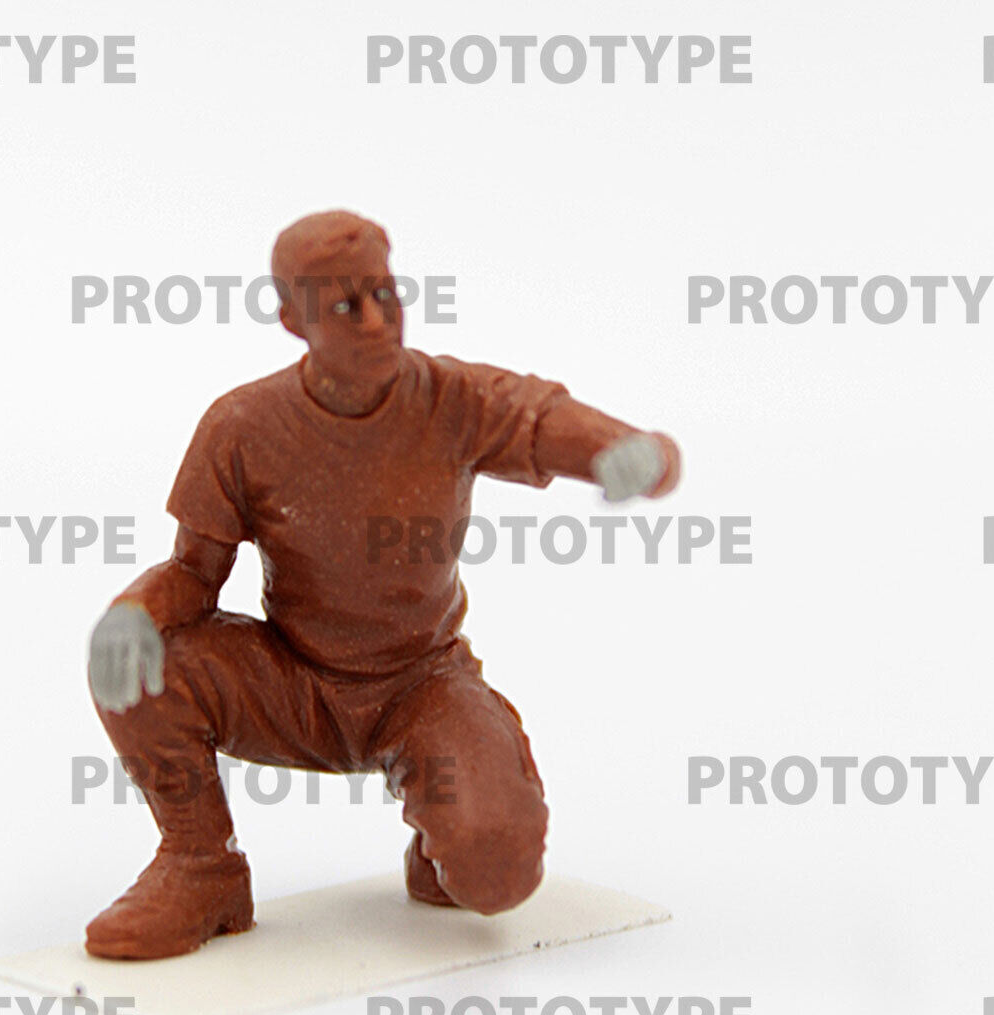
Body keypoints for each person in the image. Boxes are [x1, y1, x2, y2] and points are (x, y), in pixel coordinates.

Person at [84, 210, 681, 959]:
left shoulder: (449, 398)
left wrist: (631, 453)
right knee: (137, 667)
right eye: (344, 305)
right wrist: (133, 612)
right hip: (295, 683)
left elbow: (536, 417)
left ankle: (446, 840)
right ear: (293, 320)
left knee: (495, 873)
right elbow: (193, 573)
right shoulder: (243, 425)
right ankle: (201, 866)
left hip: (420, 685)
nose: (375, 321)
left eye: (385, 294)